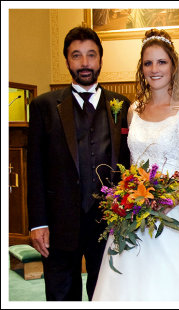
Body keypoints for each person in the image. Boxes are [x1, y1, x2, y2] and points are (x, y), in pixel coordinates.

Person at [92, 29, 179, 301]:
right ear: (141, 68)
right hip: (133, 216)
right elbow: (133, 166)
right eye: (148, 63)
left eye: (161, 62)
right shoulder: (134, 111)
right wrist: (127, 195)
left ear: (173, 66)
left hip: (173, 215)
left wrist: (171, 198)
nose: (154, 69)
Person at [27, 26, 131, 301]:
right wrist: (38, 223)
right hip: (59, 225)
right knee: (61, 295)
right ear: (67, 61)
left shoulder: (122, 105)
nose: (85, 63)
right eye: (77, 56)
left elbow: (128, 163)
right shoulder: (43, 106)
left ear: (100, 59)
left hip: (108, 224)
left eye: (91, 55)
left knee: (105, 295)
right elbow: (35, 169)